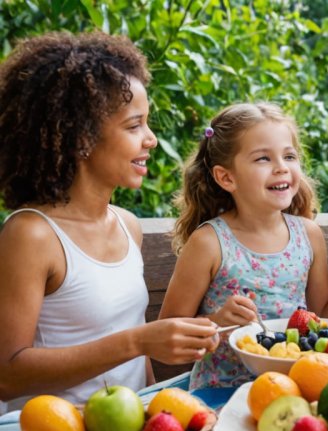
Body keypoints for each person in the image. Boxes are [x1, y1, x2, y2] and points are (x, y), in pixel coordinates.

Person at [0, 32, 220, 411]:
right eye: (134, 126)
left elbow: (135, 364)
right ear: (80, 138)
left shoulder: (126, 224)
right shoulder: (31, 235)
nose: (150, 139)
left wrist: (154, 406)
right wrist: (139, 341)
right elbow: (7, 374)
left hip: (127, 426)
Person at [159, 102, 328, 389]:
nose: (281, 168)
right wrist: (216, 323)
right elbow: (165, 338)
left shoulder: (308, 235)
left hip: (295, 388)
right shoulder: (209, 243)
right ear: (226, 177)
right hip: (222, 393)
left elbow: (325, 318)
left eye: (289, 156)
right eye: (263, 159)